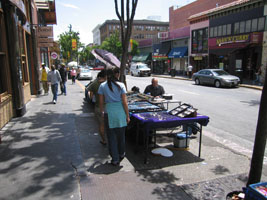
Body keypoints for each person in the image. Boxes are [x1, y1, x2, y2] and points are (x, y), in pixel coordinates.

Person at [98, 68, 130, 166]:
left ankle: (115, 159)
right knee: (121, 136)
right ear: (116, 75)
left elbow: (100, 102)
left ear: (106, 76)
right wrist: (127, 115)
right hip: (120, 113)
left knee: (111, 137)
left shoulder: (102, 86)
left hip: (109, 113)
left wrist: (102, 112)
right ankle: (121, 153)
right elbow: (125, 102)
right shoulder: (121, 85)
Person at [88, 69, 107, 145]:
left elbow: (91, 96)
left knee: (101, 125)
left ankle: (104, 140)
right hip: (109, 107)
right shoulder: (108, 83)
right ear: (105, 76)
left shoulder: (94, 83)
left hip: (99, 107)